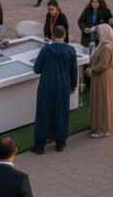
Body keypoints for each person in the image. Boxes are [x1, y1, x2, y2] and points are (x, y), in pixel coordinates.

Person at [30, 25, 77, 154]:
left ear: (52, 36)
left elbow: (36, 69)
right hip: (64, 86)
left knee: (43, 114)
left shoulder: (46, 50)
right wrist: (73, 86)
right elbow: (74, 71)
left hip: (47, 86)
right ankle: (60, 143)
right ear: (65, 35)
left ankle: (40, 145)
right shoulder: (71, 50)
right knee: (61, 113)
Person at [86, 24, 113, 138]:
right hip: (101, 76)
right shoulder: (104, 45)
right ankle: (100, 126)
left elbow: (103, 65)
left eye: (98, 32)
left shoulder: (106, 47)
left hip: (102, 77)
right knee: (101, 99)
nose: (96, 34)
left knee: (102, 101)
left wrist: (91, 70)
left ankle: (103, 129)